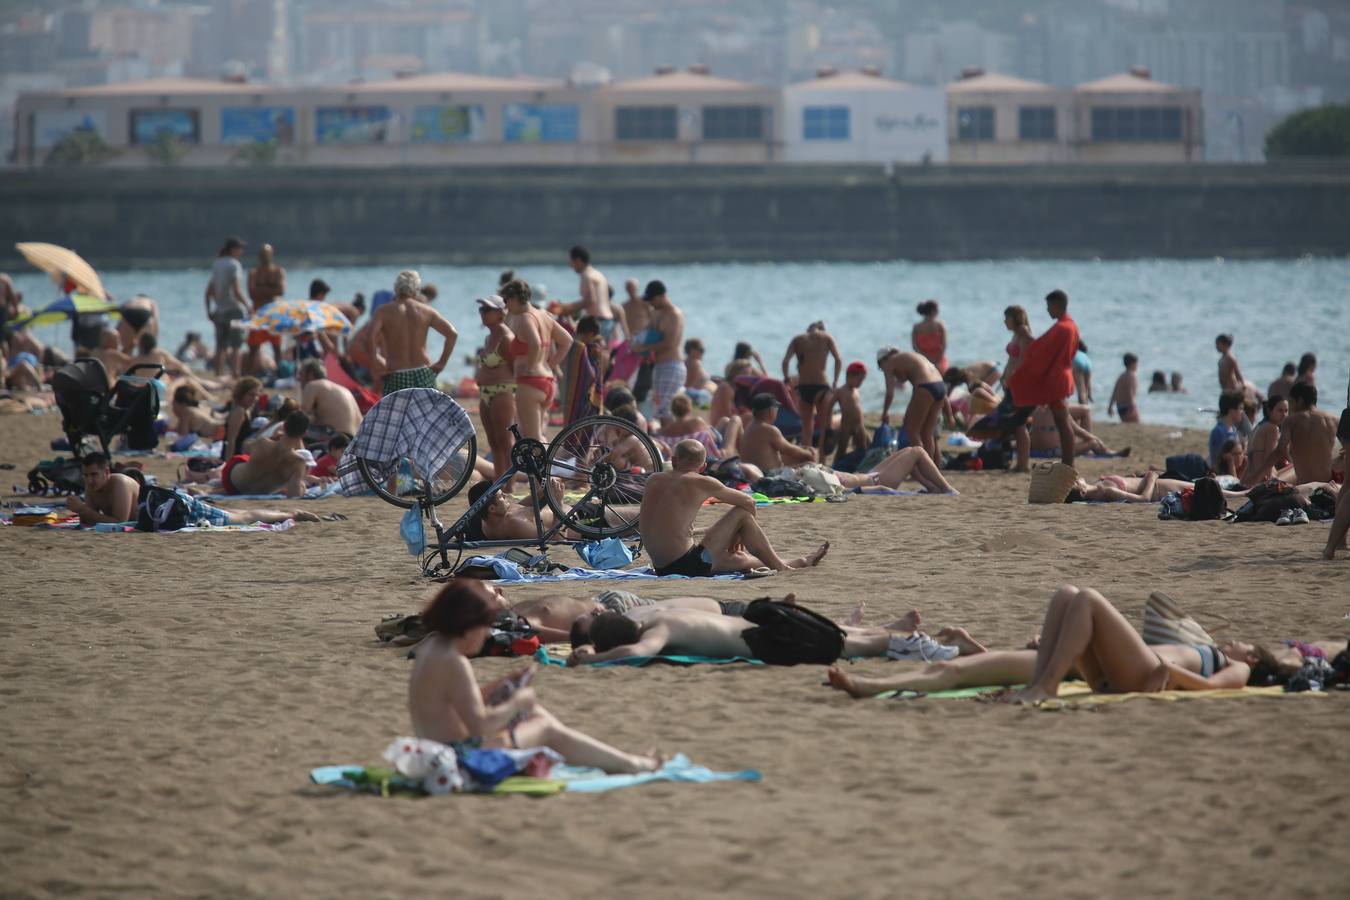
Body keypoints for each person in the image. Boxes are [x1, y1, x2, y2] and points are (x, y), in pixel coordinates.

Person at [408, 578, 661, 773]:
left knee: (536, 715)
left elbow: (455, 704)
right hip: (460, 760)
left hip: (438, 750)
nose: (487, 635)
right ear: (468, 624)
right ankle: (634, 764)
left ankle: (628, 761)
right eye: (485, 626)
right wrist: (518, 700)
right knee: (545, 727)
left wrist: (503, 685)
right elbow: (478, 726)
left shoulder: (433, 648)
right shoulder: (454, 661)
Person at [996, 586, 1261, 705]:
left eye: (1243, 644)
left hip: (1143, 676)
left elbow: (1212, 687)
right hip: (1117, 674)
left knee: (1088, 599)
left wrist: (1172, 670)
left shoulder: (1240, 667)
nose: (1236, 641)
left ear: (1253, 658)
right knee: (1066, 595)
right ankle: (1036, 685)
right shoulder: (1209, 648)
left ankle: (1047, 686)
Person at [640, 439, 828, 576]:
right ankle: (782, 568)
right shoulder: (702, 482)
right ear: (703, 466)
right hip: (687, 564)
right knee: (742, 514)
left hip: (662, 567)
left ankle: (800, 562)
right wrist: (738, 534)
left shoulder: (653, 479)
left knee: (740, 560)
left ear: (673, 461)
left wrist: (732, 535)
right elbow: (749, 502)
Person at [569, 599, 947, 668]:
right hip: (767, 620)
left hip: (767, 640)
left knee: (851, 647)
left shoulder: (659, 631)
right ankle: (923, 644)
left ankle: (922, 647)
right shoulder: (659, 617)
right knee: (849, 643)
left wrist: (592, 659)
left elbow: (638, 654)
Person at [67, 452, 319, 527]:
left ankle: (294, 514)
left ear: (106, 473)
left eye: (94, 475)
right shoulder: (92, 488)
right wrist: (83, 510)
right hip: (165, 512)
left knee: (243, 518)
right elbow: (94, 519)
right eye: (86, 476)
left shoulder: (119, 483)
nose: (90, 481)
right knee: (237, 513)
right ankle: (285, 512)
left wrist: (82, 510)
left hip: (179, 506)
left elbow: (120, 522)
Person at [1005, 290, 1080, 467]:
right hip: (1061, 377)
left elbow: (1040, 350)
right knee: (1062, 422)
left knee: (1062, 422)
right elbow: (1044, 348)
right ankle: (1067, 462)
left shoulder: (1062, 327)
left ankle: (1068, 463)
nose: (1047, 311)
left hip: (1057, 380)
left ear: (1056, 305)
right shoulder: (1071, 325)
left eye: (1048, 307)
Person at [502, 279, 571, 440]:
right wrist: (550, 364)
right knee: (538, 435)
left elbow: (535, 343)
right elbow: (567, 341)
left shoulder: (526, 318)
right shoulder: (544, 315)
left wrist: (532, 366)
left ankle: (545, 466)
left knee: (531, 437)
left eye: (506, 301)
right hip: (547, 381)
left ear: (513, 298)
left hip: (530, 383)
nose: (506, 306)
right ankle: (547, 464)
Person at [370, 270, 458, 396]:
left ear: (396, 288)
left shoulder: (383, 311)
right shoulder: (426, 311)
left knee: (398, 415)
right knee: (426, 415)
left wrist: (376, 366)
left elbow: (370, 337)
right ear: (416, 290)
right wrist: (441, 363)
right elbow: (452, 334)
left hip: (396, 374)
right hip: (422, 373)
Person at [221, 411, 315, 498]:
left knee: (247, 458)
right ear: (304, 434)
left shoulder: (263, 443)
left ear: (284, 425)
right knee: (300, 484)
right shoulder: (298, 462)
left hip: (231, 483)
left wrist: (271, 439)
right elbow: (294, 496)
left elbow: (244, 446)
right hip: (260, 492)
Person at [473, 295, 517, 481]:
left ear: (500, 313)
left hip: (502, 391)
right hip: (485, 393)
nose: (483, 314)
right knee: (493, 442)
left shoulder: (506, 337)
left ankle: (510, 484)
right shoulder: (489, 337)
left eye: (487, 310)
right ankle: (500, 481)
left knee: (505, 441)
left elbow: (515, 366)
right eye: (481, 310)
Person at [876, 348, 945, 463]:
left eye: (879, 366)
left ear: (883, 360)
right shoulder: (909, 357)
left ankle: (923, 467)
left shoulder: (889, 363)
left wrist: (885, 412)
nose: (882, 370)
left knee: (912, 431)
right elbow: (906, 378)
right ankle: (934, 469)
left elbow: (889, 392)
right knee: (927, 433)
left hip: (925, 387)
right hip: (941, 386)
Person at [782, 321, 842, 454]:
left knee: (806, 428)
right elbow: (838, 359)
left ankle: (806, 459)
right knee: (825, 426)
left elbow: (785, 361)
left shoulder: (798, 339)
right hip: (821, 385)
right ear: (822, 330)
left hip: (803, 387)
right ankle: (822, 459)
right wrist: (835, 381)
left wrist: (786, 379)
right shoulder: (826, 337)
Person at [630, 280, 686, 420]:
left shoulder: (674, 314)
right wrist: (638, 340)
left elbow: (670, 343)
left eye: (652, 300)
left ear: (662, 296)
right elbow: (648, 333)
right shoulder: (656, 313)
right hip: (658, 366)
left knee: (666, 410)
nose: (651, 303)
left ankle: (670, 438)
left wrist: (643, 348)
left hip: (672, 365)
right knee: (656, 407)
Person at [1274, 382, 1338, 484]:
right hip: (1328, 484)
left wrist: (1253, 477)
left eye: (1291, 402)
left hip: (1305, 485)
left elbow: (1279, 451)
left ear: (1299, 401)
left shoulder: (1291, 421)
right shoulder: (1334, 419)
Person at [205, 236, 250, 377]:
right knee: (236, 345)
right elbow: (236, 290)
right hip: (234, 310)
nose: (241, 251)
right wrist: (248, 305)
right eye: (240, 248)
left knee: (220, 346)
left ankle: (218, 375)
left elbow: (209, 291)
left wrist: (209, 310)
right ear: (233, 249)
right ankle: (235, 375)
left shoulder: (217, 264)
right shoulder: (234, 264)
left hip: (219, 311)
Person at [558, 246, 622, 342]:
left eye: (571, 261)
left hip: (598, 322)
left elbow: (590, 301)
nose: (571, 265)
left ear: (578, 260)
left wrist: (566, 308)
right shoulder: (597, 274)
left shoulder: (587, 276)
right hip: (607, 321)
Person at [299, 358, 362, 437]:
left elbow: (300, 417)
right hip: (356, 438)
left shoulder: (312, 385)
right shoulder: (343, 389)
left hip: (338, 438)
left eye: (301, 374)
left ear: (310, 374)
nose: (298, 378)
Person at [825, 362, 869, 468]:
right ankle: (835, 468)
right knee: (841, 449)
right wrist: (829, 425)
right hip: (846, 425)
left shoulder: (856, 390)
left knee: (864, 447)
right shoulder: (841, 391)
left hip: (859, 425)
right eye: (859, 379)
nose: (860, 383)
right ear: (850, 375)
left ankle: (857, 467)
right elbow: (829, 406)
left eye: (862, 380)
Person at [1241, 396, 1290, 487]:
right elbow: (1269, 458)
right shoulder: (1272, 428)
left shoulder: (1259, 426)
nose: (1284, 415)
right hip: (1263, 479)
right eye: (1280, 411)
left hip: (1251, 478)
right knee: (1295, 469)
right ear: (1270, 411)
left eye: (1286, 411)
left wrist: (1242, 482)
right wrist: (1270, 479)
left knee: (1292, 467)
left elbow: (1251, 460)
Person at [620, 278, 654, 403]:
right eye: (628, 288)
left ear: (637, 288)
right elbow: (623, 326)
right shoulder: (624, 306)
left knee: (646, 370)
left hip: (645, 341)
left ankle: (644, 396)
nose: (630, 291)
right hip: (631, 342)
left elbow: (652, 321)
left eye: (632, 288)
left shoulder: (645, 304)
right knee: (631, 371)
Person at [222, 377, 262, 461]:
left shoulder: (246, 409)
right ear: (242, 394)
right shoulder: (239, 411)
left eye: (257, 395)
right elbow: (231, 440)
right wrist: (228, 464)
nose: (255, 398)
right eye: (251, 395)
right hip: (235, 455)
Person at [1209, 390, 1246, 469]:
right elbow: (1221, 460)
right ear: (1231, 410)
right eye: (1240, 408)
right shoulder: (1219, 431)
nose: (1242, 412)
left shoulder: (1233, 429)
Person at [911, 300, 948, 373]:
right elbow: (944, 345)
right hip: (939, 360)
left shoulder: (916, 327)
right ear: (933, 311)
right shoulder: (940, 325)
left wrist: (925, 359)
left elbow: (915, 347)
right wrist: (938, 360)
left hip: (922, 360)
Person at [247, 244, 286, 311]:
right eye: (263, 254)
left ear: (272, 254)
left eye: (268, 254)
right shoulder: (254, 273)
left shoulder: (278, 271)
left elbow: (281, 291)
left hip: (275, 309)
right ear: (259, 256)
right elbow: (252, 294)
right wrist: (272, 291)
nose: (265, 256)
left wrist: (260, 290)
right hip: (258, 309)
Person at [1108, 353, 1140, 423]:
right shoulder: (1132, 375)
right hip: (1129, 406)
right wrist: (1133, 406)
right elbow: (1130, 392)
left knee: (1128, 425)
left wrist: (1110, 407)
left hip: (1120, 407)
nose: (1137, 366)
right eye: (1136, 363)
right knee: (1136, 424)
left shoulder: (1121, 376)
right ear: (1132, 364)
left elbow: (1115, 392)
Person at [682, 338, 715, 406]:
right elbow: (688, 385)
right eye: (701, 350)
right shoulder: (695, 363)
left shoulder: (687, 361)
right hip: (697, 396)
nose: (702, 353)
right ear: (692, 350)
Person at [1072, 339, 1093, 404]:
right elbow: (1089, 382)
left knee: (1080, 390)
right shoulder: (1084, 355)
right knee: (1085, 391)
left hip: (1077, 363)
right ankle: (1086, 404)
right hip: (1088, 363)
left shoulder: (1074, 353)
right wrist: (1090, 393)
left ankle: (1083, 408)